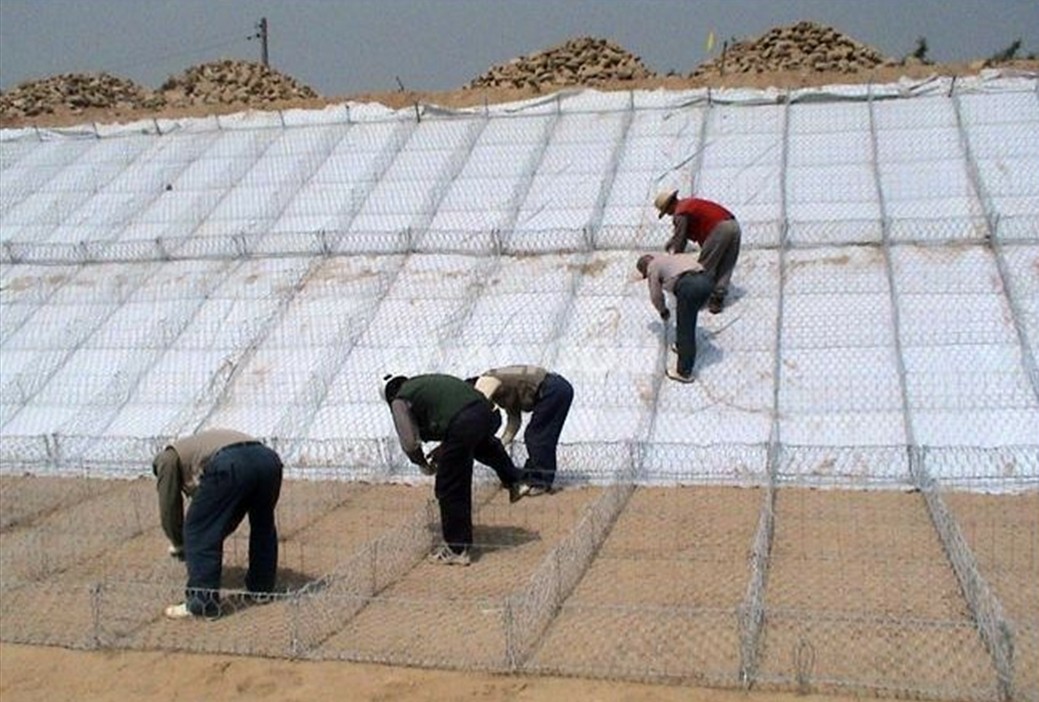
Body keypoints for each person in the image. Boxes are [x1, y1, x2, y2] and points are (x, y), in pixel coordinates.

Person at [383, 373, 532, 566]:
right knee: (484, 445)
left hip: (463, 421)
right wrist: (445, 449)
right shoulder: (425, 383)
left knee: (450, 485)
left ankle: (456, 548)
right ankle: (516, 481)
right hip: (484, 411)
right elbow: (452, 419)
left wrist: (422, 463)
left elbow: (410, 442)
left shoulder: (400, 400)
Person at [153, 428, 283, 619]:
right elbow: (223, 508)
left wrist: (180, 543)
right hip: (268, 460)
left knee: (198, 530)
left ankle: (202, 603)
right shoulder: (197, 447)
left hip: (231, 463)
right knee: (263, 524)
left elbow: (169, 505)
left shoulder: (166, 460)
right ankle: (261, 588)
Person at [469, 365, 573, 495]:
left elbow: (478, 406)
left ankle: (540, 482)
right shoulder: (505, 392)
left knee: (537, 436)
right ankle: (534, 478)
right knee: (542, 436)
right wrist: (501, 445)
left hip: (552, 389)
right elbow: (514, 422)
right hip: (557, 388)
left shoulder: (484, 381)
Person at [653, 189, 741, 314]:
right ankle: (718, 297)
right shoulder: (688, 204)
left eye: (666, 212)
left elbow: (680, 239)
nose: (668, 215)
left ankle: (696, 296)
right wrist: (671, 242)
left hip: (718, 229)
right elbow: (681, 234)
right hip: (733, 225)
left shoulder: (680, 213)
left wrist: (674, 260)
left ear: (669, 206)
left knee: (704, 266)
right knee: (726, 264)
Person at [637, 252, 715, 383]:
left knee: (685, 328)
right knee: (686, 318)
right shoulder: (669, 257)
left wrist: (663, 311)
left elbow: (656, 295)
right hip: (706, 280)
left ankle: (684, 372)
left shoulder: (652, 267)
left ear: (645, 269)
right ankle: (681, 345)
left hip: (689, 287)